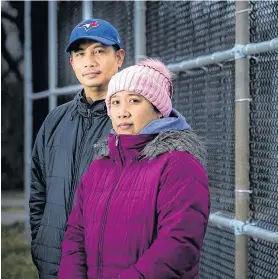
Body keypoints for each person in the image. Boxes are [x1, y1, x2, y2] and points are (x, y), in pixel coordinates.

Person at [58, 58, 210, 279]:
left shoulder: (179, 165)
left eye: (134, 101)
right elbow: (75, 234)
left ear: (159, 110)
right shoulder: (99, 167)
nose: (123, 112)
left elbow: (179, 244)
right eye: (116, 103)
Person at [29, 18, 125, 279]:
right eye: (80, 53)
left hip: (107, 266)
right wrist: (41, 241)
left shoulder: (132, 119)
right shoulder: (55, 120)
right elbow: (38, 188)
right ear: (72, 63)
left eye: (99, 51)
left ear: (119, 57)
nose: (89, 61)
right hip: (53, 263)